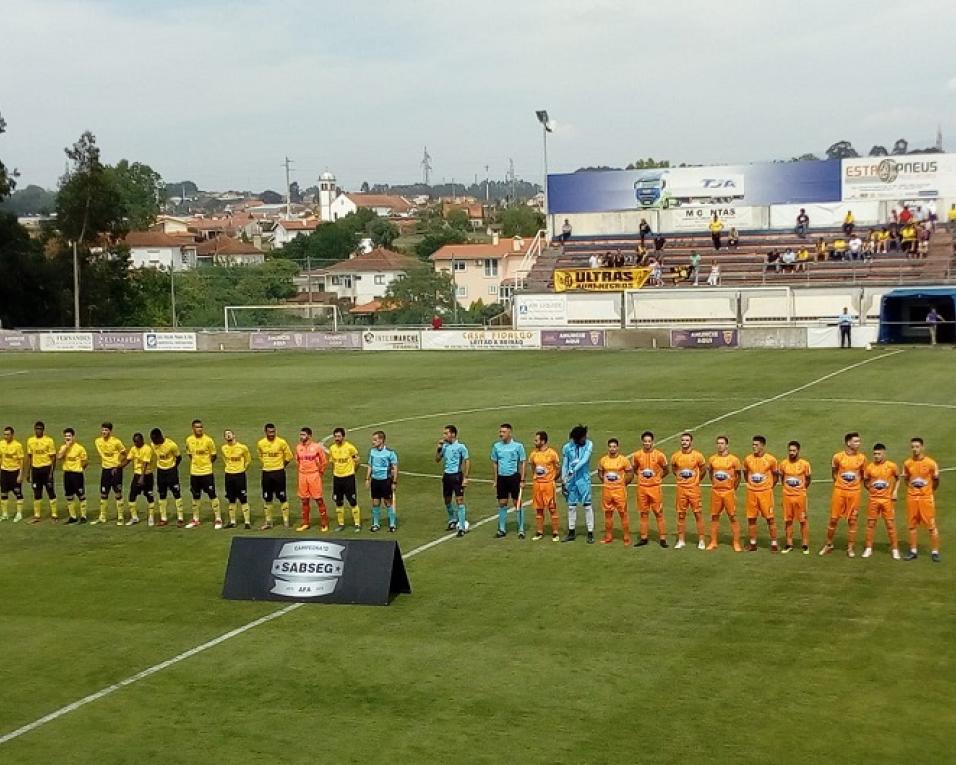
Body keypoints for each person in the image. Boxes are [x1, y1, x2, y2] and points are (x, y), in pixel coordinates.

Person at [820, 432, 867, 557]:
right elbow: (834, 472)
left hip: (854, 493)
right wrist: (841, 484)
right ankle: (829, 544)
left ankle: (850, 548)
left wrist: (855, 486)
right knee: (833, 519)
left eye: (859, 441)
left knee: (852, 520)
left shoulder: (862, 458)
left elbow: (863, 476)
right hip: (839, 491)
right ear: (848, 443)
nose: (858, 443)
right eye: (856, 441)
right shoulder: (837, 457)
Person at [902, 437, 940, 562]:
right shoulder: (907, 463)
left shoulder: (930, 463)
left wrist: (928, 492)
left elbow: (936, 480)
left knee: (931, 526)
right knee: (912, 525)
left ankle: (935, 551)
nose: (915, 449)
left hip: (926, 499)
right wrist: (914, 490)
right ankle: (913, 551)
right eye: (913, 447)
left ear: (922, 447)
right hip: (912, 498)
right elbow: (906, 479)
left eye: (917, 446)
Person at [630, 431, 669, 547]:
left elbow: (666, 469)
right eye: (645, 441)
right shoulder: (636, 455)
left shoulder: (660, 455)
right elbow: (634, 468)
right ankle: (643, 537)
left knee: (658, 512)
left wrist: (657, 478)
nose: (647, 443)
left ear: (653, 442)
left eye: (649, 441)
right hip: (642, 488)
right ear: (642, 442)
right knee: (643, 513)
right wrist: (642, 478)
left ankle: (662, 538)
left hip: (655, 488)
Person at [670, 432, 707, 549]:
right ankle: (681, 540)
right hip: (681, 489)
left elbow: (703, 469)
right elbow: (674, 468)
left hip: (694, 489)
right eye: (682, 440)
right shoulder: (675, 456)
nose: (684, 442)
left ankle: (701, 540)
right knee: (681, 515)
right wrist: (681, 478)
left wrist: (696, 480)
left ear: (691, 442)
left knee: (698, 514)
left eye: (686, 440)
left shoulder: (698, 456)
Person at [862, 443, 899, 559]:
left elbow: (898, 478)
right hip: (873, 500)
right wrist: (871, 490)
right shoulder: (869, 467)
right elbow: (865, 481)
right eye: (875, 454)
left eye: (879, 454)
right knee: (871, 524)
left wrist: (895, 492)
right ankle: (868, 548)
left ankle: (895, 549)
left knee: (890, 524)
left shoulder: (892, 466)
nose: (876, 456)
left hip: (887, 500)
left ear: (884, 453)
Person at [742, 435, 779, 552]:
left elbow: (776, 475)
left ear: (763, 446)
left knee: (770, 518)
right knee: (751, 518)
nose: (754, 447)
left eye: (756, 445)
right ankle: (753, 543)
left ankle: (774, 543)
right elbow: (745, 473)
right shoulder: (748, 459)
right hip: (752, 492)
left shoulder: (771, 460)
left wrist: (769, 487)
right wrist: (751, 484)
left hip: (765, 493)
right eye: (753, 445)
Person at [491, 423, 527, 539]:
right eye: (500, 432)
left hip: (513, 477)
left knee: (517, 503)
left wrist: (522, 479)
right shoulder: (496, 446)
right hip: (502, 478)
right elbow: (495, 463)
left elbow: (522, 463)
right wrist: (496, 479)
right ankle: (501, 529)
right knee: (502, 503)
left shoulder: (518, 446)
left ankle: (521, 529)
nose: (501, 434)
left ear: (510, 433)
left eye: (503, 432)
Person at [706, 435, 742, 551]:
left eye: (722, 443)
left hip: (728, 492)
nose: (719, 445)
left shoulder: (734, 460)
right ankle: (713, 542)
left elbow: (738, 476)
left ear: (727, 445)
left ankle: (736, 543)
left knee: (732, 517)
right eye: (718, 443)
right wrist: (716, 484)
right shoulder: (712, 459)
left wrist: (732, 489)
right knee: (714, 516)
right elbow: (711, 473)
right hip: (716, 492)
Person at [561, 424, 595, 544]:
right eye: (582, 437)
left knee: (587, 505)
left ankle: (590, 532)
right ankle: (571, 532)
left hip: (583, 479)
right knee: (571, 506)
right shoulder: (566, 447)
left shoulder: (589, 445)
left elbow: (584, 460)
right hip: (571, 481)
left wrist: (573, 470)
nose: (585, 439)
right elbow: (565, 464)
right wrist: (563, 479)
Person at [526, 430, 561, 542]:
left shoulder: (552, 453)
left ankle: (555, 532)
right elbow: (532, 467)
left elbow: (558, 469)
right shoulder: (533, 454)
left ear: (543, 441)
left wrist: (552, 479)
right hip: (537, 485)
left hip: (548, 485)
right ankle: (539, 531)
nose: (534, 442)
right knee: (539, 509)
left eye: (536, 440)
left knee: (552, 508)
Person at [257, 423, 293, 529]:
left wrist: (281, 466)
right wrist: (266, 464)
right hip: (266, 473)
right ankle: (269, 522)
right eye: (269, 432)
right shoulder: (261, 443)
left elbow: (289, 456)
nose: (272, 434)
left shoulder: (281, 442)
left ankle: (286, 521)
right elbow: (260, 455)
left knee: (282, 497)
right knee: (267, 498)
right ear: (265, 432)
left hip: (279, 473)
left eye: (273, 432)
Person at [185, 419, 219, 529]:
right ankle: (195, 519)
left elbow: (214, 455)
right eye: (197, 427)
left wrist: (206, 464)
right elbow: (190, 454)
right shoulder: (189, 440)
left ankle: (218, 519)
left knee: (212, 494)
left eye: (201, 427)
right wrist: (196, 464)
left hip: (207, 472)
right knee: (195, 496)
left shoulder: (208, 440)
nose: (199, 429)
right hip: (194, 472)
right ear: (193, 428)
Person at [436, 425, 470, 537]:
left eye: (446, 433)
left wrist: (465, 477)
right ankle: (452, 519)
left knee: (459, 500)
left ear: (453, 434)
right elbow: (437, 459)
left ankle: (461, 526)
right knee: (447, 500)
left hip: (457, 476)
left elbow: (467, 461)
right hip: (447, 476)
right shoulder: (445, 446)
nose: (444, 436)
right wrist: (439, 448)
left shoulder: (461, 447)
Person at [779, 441, 812, 554]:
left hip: (800, 496)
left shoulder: (805, 464)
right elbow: (782, 478)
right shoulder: (783, 464)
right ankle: (789, 544)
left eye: (794, 450)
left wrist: (801, 489)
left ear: (798, 451)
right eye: (790, 450)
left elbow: (808, 479)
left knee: (803, 520)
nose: (791, 453)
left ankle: (805, 544)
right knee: (788, 520)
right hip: (787, 496)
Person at [598, 438, 633, 545]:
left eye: (614, 447)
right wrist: (605, 481)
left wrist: (623, 483)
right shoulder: (603, 460)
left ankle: (626, 537)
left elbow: (630, 473)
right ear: (608, 447)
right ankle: (608, 537)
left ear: (617, 447)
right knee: (608, 514)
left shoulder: (623, 460)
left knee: (623, 513)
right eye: (610, 447)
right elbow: (600, 472)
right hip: (607, 491)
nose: (612, 449)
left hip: (619, 491)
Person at [92, 422, 127, 526]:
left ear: (110, 431)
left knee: (118, 493)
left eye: (106, 430)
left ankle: (120, 517)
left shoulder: (116, 442)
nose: (104, 432)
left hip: (115, 470)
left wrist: (118, 466)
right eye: (103, 429)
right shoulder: (97, 441)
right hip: (105, 470)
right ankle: (102, 517)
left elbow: (124, 454)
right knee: (103, 493)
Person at [295, 427, 329, 532]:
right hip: (302, 476)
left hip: (314, 475)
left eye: (303, 435)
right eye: (300, 435)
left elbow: (324, 461)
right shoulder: (298, 447)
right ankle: (305, 523)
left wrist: (320, 472)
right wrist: (302, 471)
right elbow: (297, 461)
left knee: (318, 499)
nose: (301, 437)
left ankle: (324, 523)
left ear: (309, 436)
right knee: (304, 500)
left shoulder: (317, 447)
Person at [329, 427, 361, 532]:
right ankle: (341, 524)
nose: (337, 438)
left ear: (343, 436)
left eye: (339, 436)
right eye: (335, 436)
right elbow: (333, 463)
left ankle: (357, 524)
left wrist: (352, 472)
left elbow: (357, 462)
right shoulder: (332, 448)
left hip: (349, 478)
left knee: (352, 501)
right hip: (337, 478)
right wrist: (335, 474)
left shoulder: (350, 448)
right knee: (338, 501)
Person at [365, 430, 398, 532]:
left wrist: (394, 482)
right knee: (375, 503)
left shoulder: (390, 452)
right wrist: (367, 478)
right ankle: (376, 524)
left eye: (375, 440)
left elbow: (395, 468)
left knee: (388, 502)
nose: (373, 442)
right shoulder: (372, 452)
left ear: (381, 440)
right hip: (375, 481)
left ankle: (392, 524)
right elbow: (370, 465)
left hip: (385, 481)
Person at [26, 421, 57, 523]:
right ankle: (37, 516)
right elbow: (30, 457)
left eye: (40, 429)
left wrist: (51, 473)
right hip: (35, 470)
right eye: (36, 429)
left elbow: (53, 458)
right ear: (34, 429)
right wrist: (28, 472)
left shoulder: (49, 441)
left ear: (43, 430)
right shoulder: (30, 441)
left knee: (50, 492)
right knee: (37, 492)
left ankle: (54, 515)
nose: (38, 431)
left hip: (46, 469)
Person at [220, 429, 252, 529]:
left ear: (234, 435)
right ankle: (232, 522)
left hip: (239, 475)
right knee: (231, 499)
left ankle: (247, 522)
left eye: (229, 434)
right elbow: (225, 459)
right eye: (226, 435)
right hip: (229, 475)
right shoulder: (223, 448)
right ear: (225, 438)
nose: (228, 436)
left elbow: (248, 460)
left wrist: (242, 469)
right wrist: (229, 468)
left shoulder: (242, 447)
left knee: (243, 498)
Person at [122, 432, 156, 526]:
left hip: (147, 475)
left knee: (149, 496)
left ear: (142, 440)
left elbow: (145, 464)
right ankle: (134, 517)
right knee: (132, 496)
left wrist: (142, 478)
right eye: (135, 442)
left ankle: (151, 517)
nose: (136, 443)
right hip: (137, 475)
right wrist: (119, 467)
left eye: (137, 441)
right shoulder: (133, 449)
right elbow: (128, 459)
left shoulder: (147, 449)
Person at [150, 428, 182, 527]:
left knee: (176, 493)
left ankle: (180, 518)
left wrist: (173, 467)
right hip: (160, 471)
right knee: (162, 494)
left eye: (155, 440)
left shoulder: (171, 445)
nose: (154, 442)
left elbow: (179, 457)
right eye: (153, 440)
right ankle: (163, 518)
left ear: (160, 437)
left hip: (171, 471)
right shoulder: (153, 444)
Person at [59, 428, 89, 524]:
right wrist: (66, 448)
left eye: (69, 436)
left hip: (77, 475)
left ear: (73, 437)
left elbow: (85, 462)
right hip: (67, 474)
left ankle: (83, 516)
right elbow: (59, 457)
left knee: (81, 495)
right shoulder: (63, 448)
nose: (67, 438)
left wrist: (79, 470)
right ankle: (73, 517)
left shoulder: (79, 448)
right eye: (66, 436)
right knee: (69, 496)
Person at [0, 425, 25, 522]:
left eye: (8, 434)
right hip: (4, 472)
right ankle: (4, 514)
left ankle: (19, 514)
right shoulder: (1, 443)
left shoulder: (17, 445)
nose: (6, 436)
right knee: (3, 493)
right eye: (4, 434)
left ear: (12, 435)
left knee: (18, 493)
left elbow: (21, 461)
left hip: (14, 472)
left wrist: (20, 474)